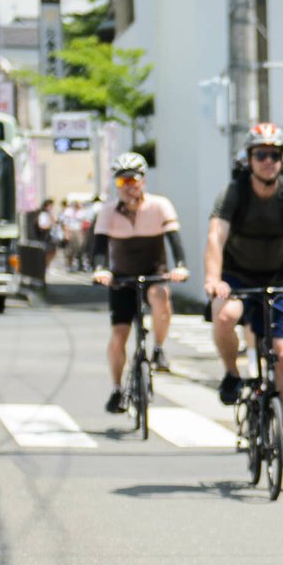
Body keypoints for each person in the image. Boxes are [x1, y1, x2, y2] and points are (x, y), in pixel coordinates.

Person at [203, 122, 283, 467]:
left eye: (275, 155)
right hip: (236, 277)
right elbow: (215, 236)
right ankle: (231, 373)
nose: (269, 161)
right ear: (249, 159)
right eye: (261, 155)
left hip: (279, 277)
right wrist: (213, 278)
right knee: (224, 316)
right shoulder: (234, 192)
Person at [92, 152, 189, 413]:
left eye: (133, 180)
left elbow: (174, 239)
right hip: (122, 277)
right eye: (122, 182)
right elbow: (99, 246)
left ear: (143, 181)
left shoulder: (159, 206)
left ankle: (158, 349)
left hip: (153, 273)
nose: (128, 186)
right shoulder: (108, 211)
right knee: (119, 334)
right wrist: (100, 269)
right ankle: (116, 389)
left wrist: (180, 266)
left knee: (161, 297)